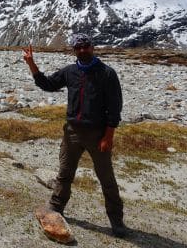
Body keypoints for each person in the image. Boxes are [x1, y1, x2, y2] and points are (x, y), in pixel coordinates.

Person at [22, 33, 128, 238]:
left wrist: (108, 136)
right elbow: (48, 84)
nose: (82, 50)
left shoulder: (107, 73)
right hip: (72, 132)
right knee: (64, 173)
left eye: (85, 46)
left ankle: (117, 221)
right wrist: (31, 63)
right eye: (78, 48)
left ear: (92, 47)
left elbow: (115, 108)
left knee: (107, 178)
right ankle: (56, 207)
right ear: (74, 51)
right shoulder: (70, 71)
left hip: (98, 134)